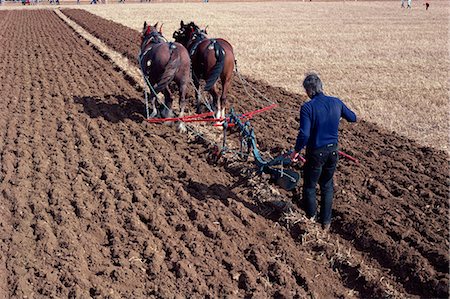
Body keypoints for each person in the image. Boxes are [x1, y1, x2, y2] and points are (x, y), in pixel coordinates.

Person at [290, 73, 357, 230]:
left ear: (308, 91)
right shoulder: (336, 102)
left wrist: (296, 151)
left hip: (316, 152)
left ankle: (311, 220)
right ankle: (326, 222)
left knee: (310, 186)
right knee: (327, 185)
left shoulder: (307, 107)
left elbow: (304, 134)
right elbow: (353, 118)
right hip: (333, 151)